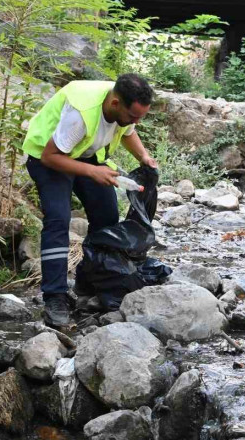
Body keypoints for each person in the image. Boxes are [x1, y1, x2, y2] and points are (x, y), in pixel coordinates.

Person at [20, 74, 158, 328]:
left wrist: (144, 157)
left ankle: (88, 280)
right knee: (58, 220)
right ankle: (55, 297)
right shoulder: (80, 114)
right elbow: (52, 157)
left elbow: (127, 132)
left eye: (140, 117)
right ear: (115, 104)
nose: (136, 122)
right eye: (133, 116)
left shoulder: (124, 105)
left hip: (85, 156)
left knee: (106, 217)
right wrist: (94, 172)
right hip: (48, 158)